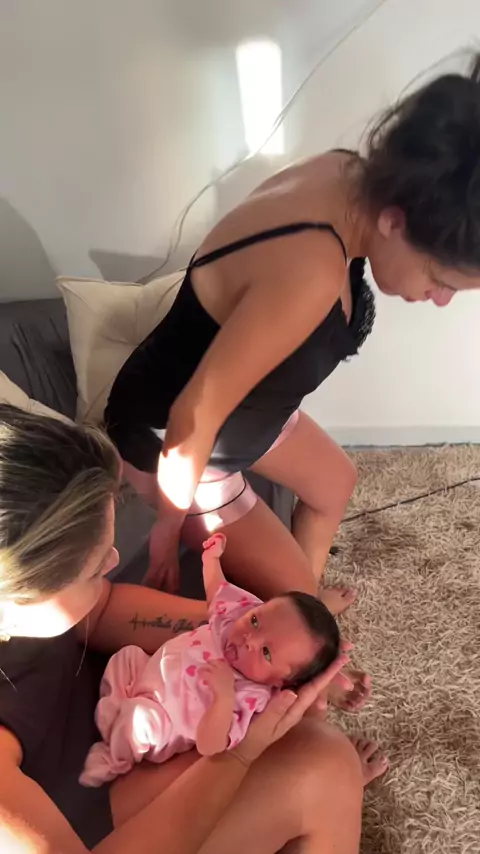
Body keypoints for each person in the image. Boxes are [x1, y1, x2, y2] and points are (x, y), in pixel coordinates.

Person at [105, 55, 480, 615]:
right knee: (304, 630)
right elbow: (193, 416)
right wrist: (168, 524)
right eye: (440, 279)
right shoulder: (309, 273)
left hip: (247, 410)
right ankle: (302, 601)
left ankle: (303, 588)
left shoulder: (348, 173)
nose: (441, 299)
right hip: (174, 436)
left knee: (336, 483)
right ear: (394, 221)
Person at [0, 405, 387, 854]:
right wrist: (241, 756)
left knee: (296, 714)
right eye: (92, 569)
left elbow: (101, 608)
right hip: (95, 806)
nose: (113, 562)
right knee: (325, 766)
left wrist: (241, 635)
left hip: (120, 710)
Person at [81, 532, 340, 787]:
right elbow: (217, 590)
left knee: (139, 721)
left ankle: (115, 758)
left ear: (280, 682)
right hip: (148, 673)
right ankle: (115, 711)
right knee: (127, 656)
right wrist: (211, 560)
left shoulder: (251, 697)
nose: (249, 639)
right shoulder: (235, 615)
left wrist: (223, 696)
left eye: (266, 652)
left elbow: (210, 746)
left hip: (163, 719)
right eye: (255, 621)